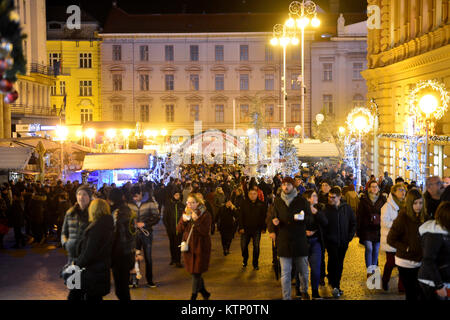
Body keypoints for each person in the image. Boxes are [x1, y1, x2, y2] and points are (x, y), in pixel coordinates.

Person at [271, 177, 310, 300]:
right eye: (284, 185)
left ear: (293, 186)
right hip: (284, 240)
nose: (285, 187)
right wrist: (273, 224)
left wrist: (303, 218)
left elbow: (309, 218)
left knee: (303, 271)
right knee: (285, 273)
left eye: (288, 184)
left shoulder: (301, 201)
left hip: (299, 240)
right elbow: (271, 217)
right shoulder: (277, 201)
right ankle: (286, 297)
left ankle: (304, 291)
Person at [387, 188, 429, 301]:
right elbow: (390, 239)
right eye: (415, 203)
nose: (418, 206)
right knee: (411, 293)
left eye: (420, 203)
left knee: (421, 293)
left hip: (421, 262)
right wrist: (406, 248)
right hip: (405, 262)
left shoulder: (425, 217)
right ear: (410, 203)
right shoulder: (402, 217)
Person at [318, 186, 356, 298]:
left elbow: (353, 222)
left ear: (339, 197)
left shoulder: (346, 208)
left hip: (343, 242)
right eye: (329, 197)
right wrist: (326, 239)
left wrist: (349, 236)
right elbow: (323, 226)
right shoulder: (326, 209)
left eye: (333, 197)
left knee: (339, 264)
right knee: (333, 261)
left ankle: (336, 284)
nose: (330, 199)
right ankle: (334, 284)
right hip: (331, 242)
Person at [74, 199, 114, 301]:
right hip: (102, 268)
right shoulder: (108, 224)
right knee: (96, 296)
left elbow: (89, 251)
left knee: (92, 296)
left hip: (93, 270)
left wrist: (77, 264)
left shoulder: (96, 228)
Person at [176, 193, 212, 300]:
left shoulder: (205, 214)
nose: (190, 204)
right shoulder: (186, 213)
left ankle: (193, 296)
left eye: (192, 202)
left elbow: (205, 231)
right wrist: (183, 220)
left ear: (198, 203)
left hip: (201, 246)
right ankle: (204, 292)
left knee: (196, 272)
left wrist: (196, 222)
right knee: (194, 271)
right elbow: (179, 229)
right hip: (189, 246)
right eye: (188, 202)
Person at [61, 184, 92, 300]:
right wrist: (66, 243)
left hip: (88, 259)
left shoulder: (93, 214)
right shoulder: (70, 212)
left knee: (88, 292)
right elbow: (63, 232)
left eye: (84, 194)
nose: (81, 197)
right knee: (74, 290)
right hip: (73, 258)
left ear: (89, 196)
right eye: (79, 194)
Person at [128, 185, 161, 288]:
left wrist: (145, 224)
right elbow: (126, 218)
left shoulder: (150, 203)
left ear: (141, 193)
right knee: (134, 257)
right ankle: (134, 280)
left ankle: (150, 280)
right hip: (134, 234)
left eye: (137, 196)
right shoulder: (129, 204)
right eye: (133, 197)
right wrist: (131, 224)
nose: (135, 198)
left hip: (147, 234)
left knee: (148, 257)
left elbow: (156, 217)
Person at [418, 201, 450, 300]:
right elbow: (428, 260)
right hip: (431, 282)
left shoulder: (445, 231)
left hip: (443, 280)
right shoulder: (434, 234)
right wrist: (439, 285)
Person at [108, 188, 135, 301]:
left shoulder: (117, 212)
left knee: (121, 288)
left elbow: (117, 235)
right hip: (126, 252)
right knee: (122, 287)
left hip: (120, 254)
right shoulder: (126, 209)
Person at [356, 180, 387, 277]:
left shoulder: (382, 199)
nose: (374, 188)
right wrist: (358, 229)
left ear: (378, 188)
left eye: (376, 186)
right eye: (372, 186)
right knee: (369, 248)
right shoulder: (364, 199)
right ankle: (369, 270)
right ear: (369, 188)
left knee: (376, 249)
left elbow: (385, 213)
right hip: (367, 228)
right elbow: (359, 215)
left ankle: (374, 268)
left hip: (378, 228)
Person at [380, 183, 406, 292]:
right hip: (390, 239)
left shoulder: (405, 205)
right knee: (391, 263)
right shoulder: (387, 206)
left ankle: (402, 287)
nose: (403, 192)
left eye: (404, 190)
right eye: (400, 190)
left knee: (403, 265)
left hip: (403, 240)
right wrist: (398, 225)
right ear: (394, 192)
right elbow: (385, 222)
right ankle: (385, 280)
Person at [238, 188, 267, 270]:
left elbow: (264, 217)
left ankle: (255, 263)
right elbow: (240, 216)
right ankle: (245, 258)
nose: (252, 195)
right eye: (251, 194)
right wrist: (241, 227)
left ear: (257, 194)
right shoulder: (244, 203)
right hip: (245, 229)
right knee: (243, 246)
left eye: (254, 194)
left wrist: (263, 228)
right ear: (248, 194)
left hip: (256, 229)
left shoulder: (261, 204)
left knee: (256, 246)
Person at [303, 189, 325, 299]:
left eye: (316, 195)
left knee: (316, 269)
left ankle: (315, 291)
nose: (316, 197)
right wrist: (304, 232)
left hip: (316, 242)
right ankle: (303, 291)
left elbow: (325, 223)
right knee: (302, 269)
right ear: (308, 199)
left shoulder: (320, 208)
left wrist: (317, 213)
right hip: (303, 242)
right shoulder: (301, 210)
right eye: (314, 196)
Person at [163, 191, 185, 267]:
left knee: (178, 245)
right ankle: (173, 259)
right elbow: (165, 218)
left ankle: (178, 261)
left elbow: (185, 218)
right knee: (172, 244)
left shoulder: (182, 206)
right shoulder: (169, 205)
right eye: (175, 195)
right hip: (171, 229)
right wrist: (167, 227)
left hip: (179, 230)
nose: (177, 196)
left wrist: (183, 227)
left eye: (178, 195)